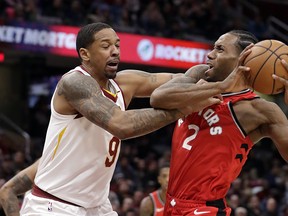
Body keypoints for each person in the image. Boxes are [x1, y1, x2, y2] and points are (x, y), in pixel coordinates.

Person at [11, 22, 238, 216]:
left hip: (97, 206)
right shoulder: (74, 83)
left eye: (117, 45)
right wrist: (184, 108)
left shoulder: (124, 83)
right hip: (54, 206)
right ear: (85, 54)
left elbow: (182, 79)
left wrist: (221, 66)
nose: (115, 51)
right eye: (105, 46)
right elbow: (122, 125)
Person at [150, 30, 288, 215]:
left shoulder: (258, 110)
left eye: (220, 49)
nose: (210, 54)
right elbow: (158, 98)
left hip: (205, 208)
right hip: (172, 205)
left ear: (244, 57)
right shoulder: (199, 75)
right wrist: (221, 86)